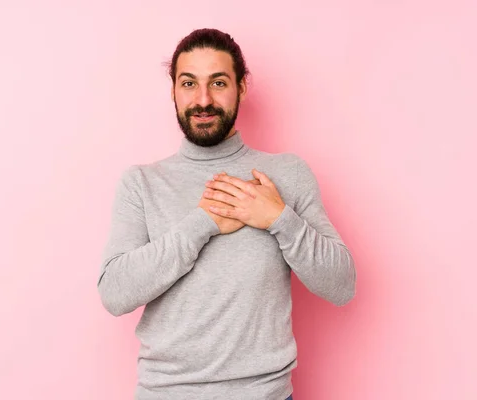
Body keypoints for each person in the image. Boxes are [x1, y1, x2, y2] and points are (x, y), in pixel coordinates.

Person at [97, 28, 356, 400]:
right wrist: (202, 223)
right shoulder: (142, 183)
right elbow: (114, 294)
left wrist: (279, 218)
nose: (203, 99)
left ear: (242, 87)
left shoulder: (287, 174)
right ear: (173, 90)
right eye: (189, 83)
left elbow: (342, 286)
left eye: (218, 82)